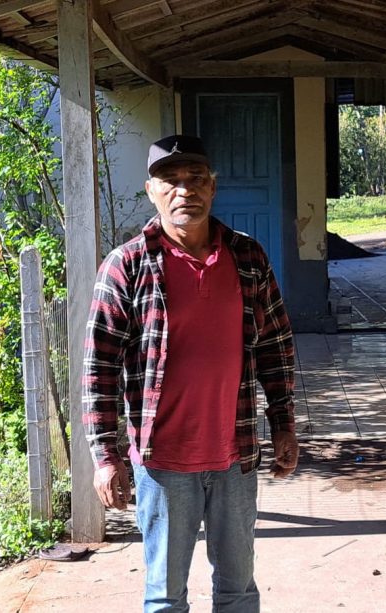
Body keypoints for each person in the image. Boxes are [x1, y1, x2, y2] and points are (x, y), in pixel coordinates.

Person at [82, 134, 299, 613]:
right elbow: (98, 366)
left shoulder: (248, 258)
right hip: (162, 463)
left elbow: (276, 348)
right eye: (171, 181)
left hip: (235, 456)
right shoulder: (128, 266)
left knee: (238, 590)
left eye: (196, 179)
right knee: (164, 596)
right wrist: (105, 455)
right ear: (151, 190)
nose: (185, 190)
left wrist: (284, 424)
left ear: (213, 187)